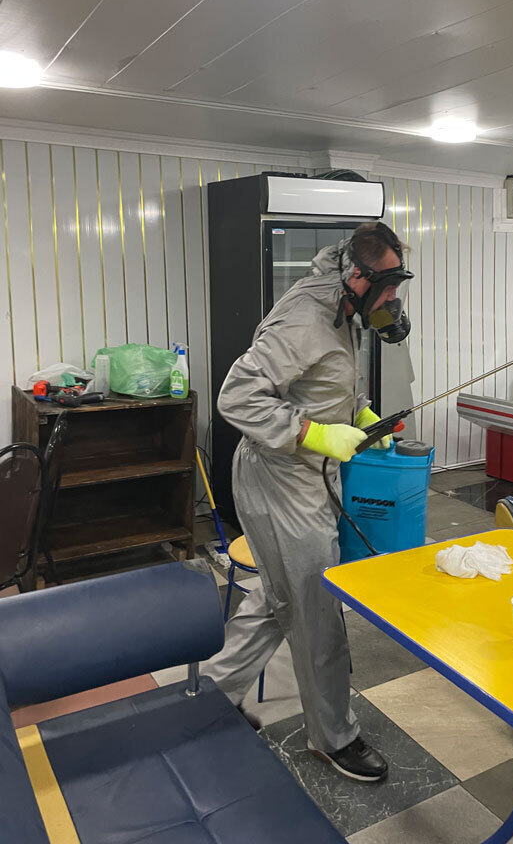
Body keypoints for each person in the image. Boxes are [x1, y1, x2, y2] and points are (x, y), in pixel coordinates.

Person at [202, 221, 413, 781]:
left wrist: (359, 413)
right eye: (388, 286)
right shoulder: (303, 317)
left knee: (280, 597)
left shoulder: (346, 306)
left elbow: (330, 376)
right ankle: (333, 737)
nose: (394, 298)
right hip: (280, 478)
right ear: (357, 276)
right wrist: (314, 434)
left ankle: (209, 699)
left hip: (309, 474)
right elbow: (236, 397)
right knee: (317, 607)